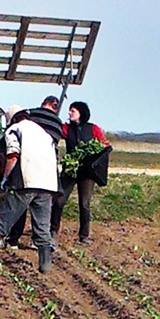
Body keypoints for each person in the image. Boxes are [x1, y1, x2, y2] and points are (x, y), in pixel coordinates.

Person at [0, 107, 58, 272]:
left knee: (6, 217)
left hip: (26, 181)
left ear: (13, 119)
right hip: (48, 183)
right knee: (42, 224)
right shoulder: (44, 134)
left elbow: (12, 155)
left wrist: (5, 178)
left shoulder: (15, 130)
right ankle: (45, 264)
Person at [5, 95, 63, 249]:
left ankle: (11, 239)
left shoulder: (31, 117)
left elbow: (16, 149)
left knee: (20, 205)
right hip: (49, 171)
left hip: (28, 167)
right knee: (42, 213)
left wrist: (6, 177)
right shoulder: (58, 124)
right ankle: (42, 246)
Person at [51, 101, 109, 245]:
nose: (69, 113)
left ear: (81, 113)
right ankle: (52, 231)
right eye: (70, 111)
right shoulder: (66, 128)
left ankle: (84, 236)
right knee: (59, 200)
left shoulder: (93, 129)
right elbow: (55, 133)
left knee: (84, 204)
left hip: (87, 172)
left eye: (73, 111)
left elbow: (104, 145)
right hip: (71, 170)